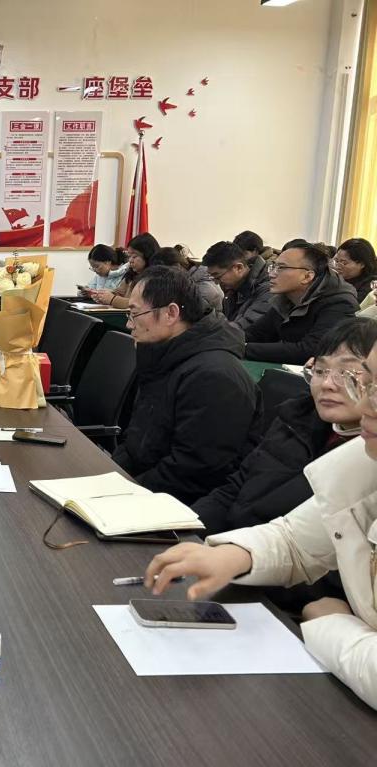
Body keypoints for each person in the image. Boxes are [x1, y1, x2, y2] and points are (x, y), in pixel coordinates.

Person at [144, 335, 377, 711]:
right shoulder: (363, 460)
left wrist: (328, 621)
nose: (364, 403)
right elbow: (295, 539)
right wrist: (232, 556)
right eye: (366, 382)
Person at [193, 317, 373, 536]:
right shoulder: (295, 418)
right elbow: (234, 489)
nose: (327, 384)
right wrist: (183, 530)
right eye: (320, 371)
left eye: (346, 373)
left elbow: (302, 545)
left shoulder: (366, 458)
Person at [111, 266, 260, 505]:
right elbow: (137, 440)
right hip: (146, 486)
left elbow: (193, 472)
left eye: (134, 314)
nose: (129, 324)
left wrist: (125, 495)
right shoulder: (164, 356)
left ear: (171, 313)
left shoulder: (214, 377)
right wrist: (111, 476)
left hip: (178, 505)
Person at [244, 242, 359, 364]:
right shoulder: (287, 298)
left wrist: (244, 348)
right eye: (273, 267)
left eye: (281, 268)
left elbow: (310, 351)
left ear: (307, 276)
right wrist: (232, 341)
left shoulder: (339, 303)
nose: (271, 274)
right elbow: (255, 333)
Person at [202, 240, 273, 329]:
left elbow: (245, 328)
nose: (216, 282)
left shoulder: (269, 289)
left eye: (218, 276)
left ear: (239, 268)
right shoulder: (233, 290)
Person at [86, 232, 159, 309]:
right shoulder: (131, 274)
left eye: (134, 256)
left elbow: (137, 304)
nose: (130, 260)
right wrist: (103, 296)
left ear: (148, 255)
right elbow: (119, 293)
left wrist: (112, 299)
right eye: (129, 256)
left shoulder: (154, 278)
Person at [149, 244, 224, 312]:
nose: (165, 283)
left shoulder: (203, 290)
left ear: (177, 267)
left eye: (165, 276)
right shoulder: (191, 281)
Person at [332, 237, 377, 304]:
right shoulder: (337, 277)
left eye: (344, 263)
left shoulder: (371, 286)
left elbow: (349, 306)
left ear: (362, 264)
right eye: (336, 261)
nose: (337, 266)